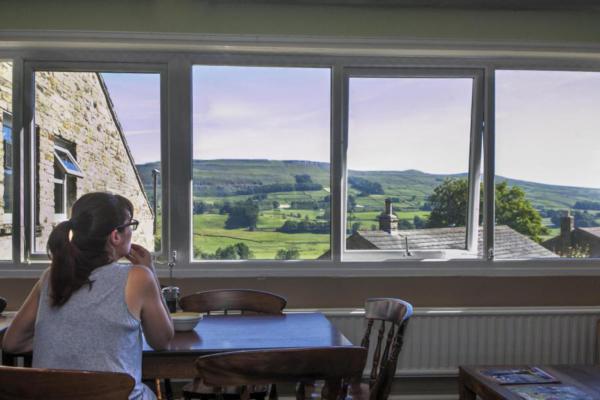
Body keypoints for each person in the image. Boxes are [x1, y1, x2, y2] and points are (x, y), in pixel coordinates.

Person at [2, 192, 174, 400]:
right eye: (131, 224)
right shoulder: (138, 277)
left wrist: (69, 342)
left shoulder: (52, 276)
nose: (132, 231)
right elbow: (162, 340)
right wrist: (150, 271)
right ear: (115, 236)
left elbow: (12, 343)